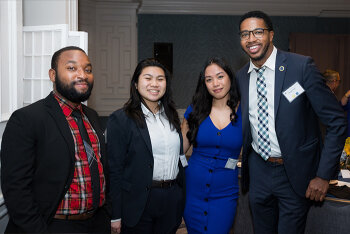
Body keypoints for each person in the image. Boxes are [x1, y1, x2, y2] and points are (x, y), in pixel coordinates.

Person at [236, 11, 347, 234]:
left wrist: (324, 174)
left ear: (271, 35)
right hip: (259, 173)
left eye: (258, 32)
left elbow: (336, 121)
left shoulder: (301, 67)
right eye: (245, 34)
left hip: (295, 174)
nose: (251, 39)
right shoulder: (241, 76)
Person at [1, 46, 110, 233]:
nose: (82, 75)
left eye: (88, 69)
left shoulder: (91, 116)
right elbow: (16, 188)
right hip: (54, 225)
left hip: (96, 223)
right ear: (52, 75)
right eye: (71, 68)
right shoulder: (27, 119)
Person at [107, 58, 185, 234]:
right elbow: (115, 170)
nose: (154, 84)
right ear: (136, 84)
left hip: (171, 199)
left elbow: (179, 159)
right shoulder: (120, 120)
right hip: (138, 201)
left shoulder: (171, 116)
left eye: (160, 79)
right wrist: (115, 215)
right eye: (148, 78)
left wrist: (180, 195)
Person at [181, 57, 242, 233]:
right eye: (209, 79)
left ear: (230, 77)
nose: (215, 83)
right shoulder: (195, 110)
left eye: (220, 76)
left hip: (226, 193)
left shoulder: (245, 110)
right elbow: (179, 148)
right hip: (193, 190)